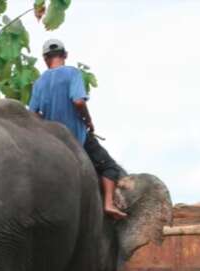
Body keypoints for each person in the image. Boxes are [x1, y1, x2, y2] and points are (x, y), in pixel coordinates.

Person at [29, 39, 128, 220]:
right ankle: (108, 203)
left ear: (45, 59)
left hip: (51, 140)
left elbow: (33, 114)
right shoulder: (73, 73)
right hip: (76, 138)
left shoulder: (38, 83)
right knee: (109, 167)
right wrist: (88, 120)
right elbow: (78, 101)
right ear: (65, 55)